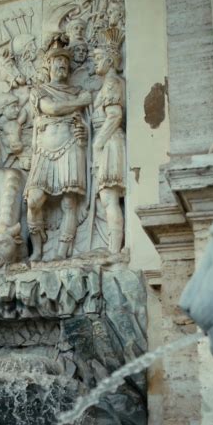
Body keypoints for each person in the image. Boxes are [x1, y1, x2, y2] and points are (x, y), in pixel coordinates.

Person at [25, 38, 92, 261]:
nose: (62, 65)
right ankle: (37, 250)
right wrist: (79, 102)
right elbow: (50, 108)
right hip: (45, 148)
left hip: (71, 143)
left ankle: (62, 252)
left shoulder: (76, 90)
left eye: (65, 61)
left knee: (68, 202)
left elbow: (89, 121)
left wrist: (84, 130)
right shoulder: (40, 90)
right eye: (57, 61)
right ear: (49, 66)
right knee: (34, 199)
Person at [92, 27, 125, 254]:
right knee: (107, 198)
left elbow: (114, 116)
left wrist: (98, 143)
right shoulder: (108, 84)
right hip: (109, 142)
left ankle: (114, 249)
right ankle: (113, 245)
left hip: (110, 142)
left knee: (109, 197)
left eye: (98, 58)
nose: (95, 62)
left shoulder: (112, 83)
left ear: (110, 60)